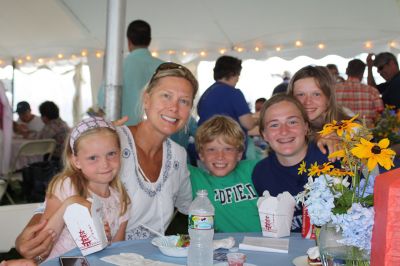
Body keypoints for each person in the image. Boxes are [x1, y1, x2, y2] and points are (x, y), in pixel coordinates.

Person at [15, 62, 199, 260]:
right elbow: (63, 193)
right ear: (146, 99)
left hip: (148, 259)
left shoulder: (178, 156)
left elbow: (193, 207)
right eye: (166, 96)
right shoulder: (111, 142)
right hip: (95, 258)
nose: (174, 107)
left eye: (184, 101)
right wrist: (27, 239)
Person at [39, 116, 130, 261]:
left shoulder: (121, 200)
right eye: (93, 158)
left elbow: (116, 251)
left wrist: (105, 241)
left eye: (111, 154)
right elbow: (43, 240)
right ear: (76, 161)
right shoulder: (67, 186)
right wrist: (70, 204)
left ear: (120, 153)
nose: (105, 164)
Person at [251, 94, 337, 232]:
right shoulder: (261, 173)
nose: (284, 131)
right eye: (274, 125)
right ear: (264, 135)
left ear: (306, 127)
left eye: (292, 122)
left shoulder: (332, 158)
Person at [189, 115, 261, 232]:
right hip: (226, 247)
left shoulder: (254, 169)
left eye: (228, 149)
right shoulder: (195, 178)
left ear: (239, 154)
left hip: (266, 244)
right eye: (211, 149)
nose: (220, 157)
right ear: (201, 155)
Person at [97, 19, 163, 126]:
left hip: (125, 133)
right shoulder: (164, 67)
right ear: (149, 41)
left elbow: (103, 100)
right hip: (159, 133)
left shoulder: (116, 67)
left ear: (129, 41)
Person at [197, 56, 255, 157]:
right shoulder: (234, 93)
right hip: (228, 151)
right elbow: (248, 124)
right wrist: (258, 119)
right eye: (238, 75)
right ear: (232, 73)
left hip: (205, 150)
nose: (238, 79)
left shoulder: (206, 93)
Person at [287, 65, 350, 133]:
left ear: (328, 98)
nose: (308, 102)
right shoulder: (285, 130)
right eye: (301, 94)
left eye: (316, 94)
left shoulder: (350, 130)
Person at [335, 59, 384, 127]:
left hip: (339, 134)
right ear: (362, 73)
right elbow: (380, 114)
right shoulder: (372, 91)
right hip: (365, 134)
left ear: (346, 71)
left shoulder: (334, 90)